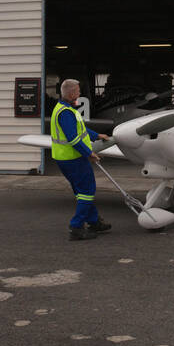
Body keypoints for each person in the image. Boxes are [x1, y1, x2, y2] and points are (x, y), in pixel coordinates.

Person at [50, 78, 112, 241]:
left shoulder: (66, 109)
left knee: (82, 191)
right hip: (73, 158)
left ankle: (94, 221)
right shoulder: (66, 113)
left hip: (68, 158)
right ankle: (76, 227)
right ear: (71, 93)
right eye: (77, 91)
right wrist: (88, 153)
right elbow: (73, 138)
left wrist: (97, 135)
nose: (79, 93)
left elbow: (81, 130)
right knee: (87, 191)